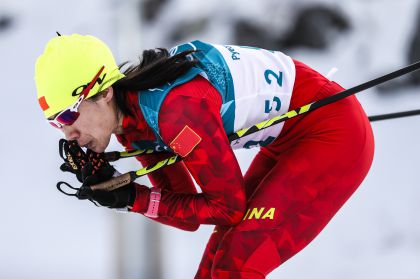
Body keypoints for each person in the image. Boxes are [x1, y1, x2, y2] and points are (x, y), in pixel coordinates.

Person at [35, 34, 374, 278]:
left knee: (235, 266)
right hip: (289, 139)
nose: (68, 134)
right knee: (214, 263)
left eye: (68, 115)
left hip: (331, 131)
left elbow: (228, 208)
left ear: (105, 92)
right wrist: (125, 198)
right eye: (56, 123)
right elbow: (189, 214)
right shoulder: (134, 125)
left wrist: (134, 197)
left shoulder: (174, 112)